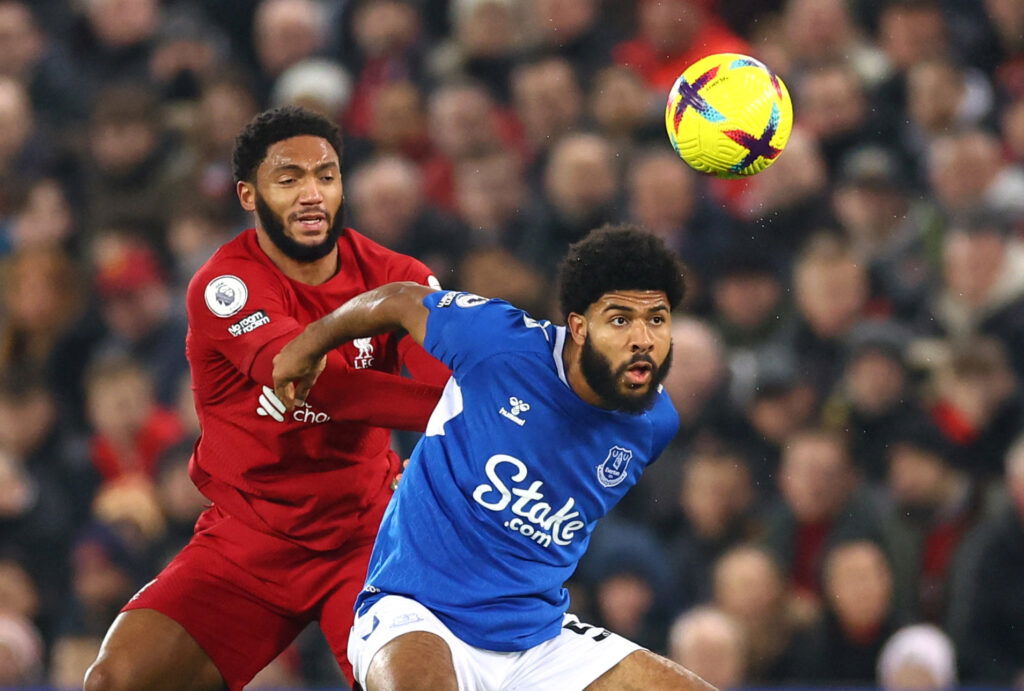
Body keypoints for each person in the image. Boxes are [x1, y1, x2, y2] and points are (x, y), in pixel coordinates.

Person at [83, 106, 449, 690]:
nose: (312, 194)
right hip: (249, 539)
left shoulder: (396, 274)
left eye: (326, 176)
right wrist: (444, 417)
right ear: (249, 195)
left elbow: (450, 381)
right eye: (289, 179)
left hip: (368, 537)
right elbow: (308, 375)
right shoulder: (224, 285)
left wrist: (440, 450)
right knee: (117, 682)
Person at [274, 225, 714, 689]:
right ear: (580, 328)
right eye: (620, 320)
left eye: (658, 319)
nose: (643, 338)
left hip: (539, 638)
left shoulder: (654, 425)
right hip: (415, 612)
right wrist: (307, 346)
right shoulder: (499, 342)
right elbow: (400, 300)